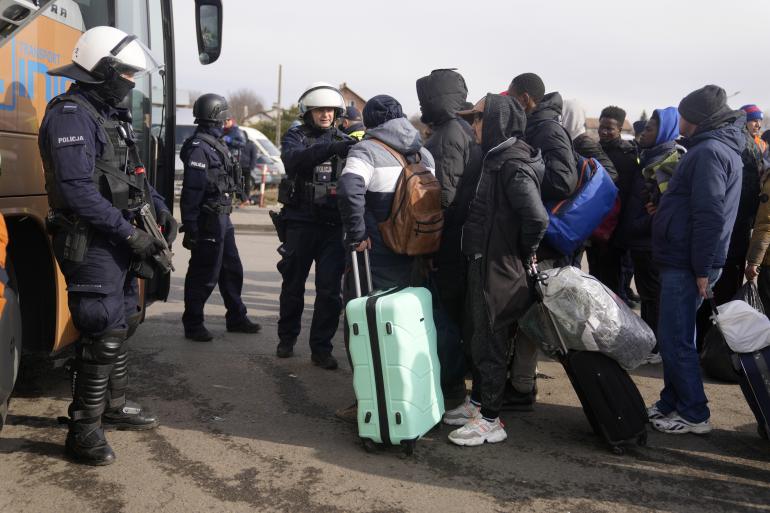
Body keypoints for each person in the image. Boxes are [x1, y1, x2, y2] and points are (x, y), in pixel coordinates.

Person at [39, 26, 177, 465]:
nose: (133, 82)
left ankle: (111, 409)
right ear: (103, 70)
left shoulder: (108, 115)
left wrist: (158, 210)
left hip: (117, 235)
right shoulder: (70, 115)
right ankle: (83, 431)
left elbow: (132, 174)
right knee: (100, 327)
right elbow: (78, 191)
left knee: (120, 323)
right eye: (128, 74)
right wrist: (129, 234)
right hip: (92, 238)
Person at [443, 94, 548, 446]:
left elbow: (536, 218)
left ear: (497, 122)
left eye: (477, 119)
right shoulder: (496, 157)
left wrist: (522, 252)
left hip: (497, 268)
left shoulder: (511, 163)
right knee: (479, 337)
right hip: (484, 262)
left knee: (491, 343)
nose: (472, 126)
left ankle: (490, 419)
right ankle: (478, 403)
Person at [649, 85, 744, 435]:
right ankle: (671, 402)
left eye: (684, 113)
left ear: (698, 118)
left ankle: (693, 412)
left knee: (676, 339)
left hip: (689, 263)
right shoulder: (714, 149)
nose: (681, 119)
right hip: (688, 259)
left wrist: (702, 268)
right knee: (676, 334)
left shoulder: (709, 152)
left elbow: (710, 214)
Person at [505, 73, 578, 410]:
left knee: (529, 315)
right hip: (538, 232)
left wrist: (524, 179)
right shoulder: (537, 125)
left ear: (524, 99)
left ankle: (521, 388)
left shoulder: (546, 128)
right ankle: (521, 381)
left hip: (545, 236)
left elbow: (563, 181)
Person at [276, 82, 355, 370]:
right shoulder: (296, 137)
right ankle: (286, 339)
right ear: (308, 112)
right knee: (293, 284)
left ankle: (321, 348)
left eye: (330, 110)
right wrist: (331, 147)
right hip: (300, 223)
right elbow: (293, 161)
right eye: (320, 110)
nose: (325, 115)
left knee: (329, 291)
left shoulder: (346, 140)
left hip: (333, 226)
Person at [416, 68, 482, 407]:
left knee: (447, 312)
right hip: (453, 239)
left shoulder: (450, 133)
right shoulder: (453, 129)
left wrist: (431, 243)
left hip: (449, 242)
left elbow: (445, 193)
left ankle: (452, 386)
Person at [179, 94, 261, 342]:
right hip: (208, 219)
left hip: (223, 217)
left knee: (231, 270)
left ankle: (236, 317)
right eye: (223, 115)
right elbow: (192, 191)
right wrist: (191, 226)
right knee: (204, 274)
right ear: (215, 116)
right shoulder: (199, 148)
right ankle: (193, 323)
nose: (227, 120)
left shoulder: (217, 143)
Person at [626, 107, 684, 362]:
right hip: (641, 239)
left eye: (650, 128)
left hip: (652, 241)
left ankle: (657, 346)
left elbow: (667, 208)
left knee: (654, 296)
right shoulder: (651, 156)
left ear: (664, 131)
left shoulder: (668, 161)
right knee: (648, 296)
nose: (644, 133)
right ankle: (651, 342)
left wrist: (645, 220)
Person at [592, 105, 640, 300]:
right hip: (594, 224)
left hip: (616, 229)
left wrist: (621, 233)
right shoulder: (593, 150)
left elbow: (629, 197)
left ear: (620, 129)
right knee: (593, 278)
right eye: (601, 127)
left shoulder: (629, 156)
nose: (604, 132)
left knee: (612, 284)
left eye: (609, 128)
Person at [508, 73, 578, 202]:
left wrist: (514, 174)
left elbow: (563, 183)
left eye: (511, 98)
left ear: (524, 99)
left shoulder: (549, 130)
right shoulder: (530, 126)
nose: (507, 103)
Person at [561, 98, 617, 180]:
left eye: (562, 115)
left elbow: (611, 173)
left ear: (572, 116)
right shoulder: (571, 139)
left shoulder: (585, 143)